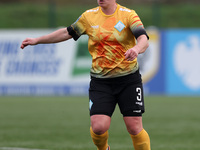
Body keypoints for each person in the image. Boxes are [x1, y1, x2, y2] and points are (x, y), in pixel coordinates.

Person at [21, 0, 151, 149]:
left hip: (128, 80)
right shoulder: (89, 17)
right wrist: (37, 40)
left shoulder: (128, 15)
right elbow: (66, 32)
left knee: (134, 127)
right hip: (101, 81)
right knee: (98, 127)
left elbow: (143, 38)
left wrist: (136, 48)